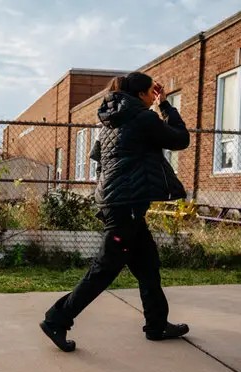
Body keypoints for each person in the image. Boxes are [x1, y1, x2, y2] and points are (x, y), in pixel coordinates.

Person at [39, 72, 190, 352]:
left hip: (121, 204)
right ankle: (56, 319)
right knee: (105, 269)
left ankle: (157, 324)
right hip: (126, 207)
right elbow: (180, 140)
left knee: (148, 266)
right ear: (144, 95)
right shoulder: (142, 118)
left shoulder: (110, 121)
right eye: (150, 92)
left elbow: (98, 160)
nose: (152, 97)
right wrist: (165, 107)